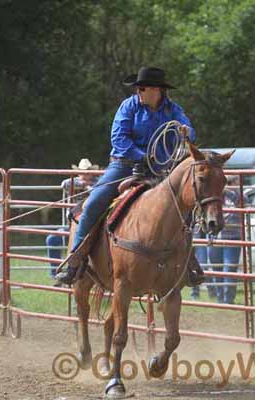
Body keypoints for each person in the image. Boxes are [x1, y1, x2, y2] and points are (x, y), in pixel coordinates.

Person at [55, 66, 204, 286]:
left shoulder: (172, 110)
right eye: (138, 88)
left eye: (142, 88)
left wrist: (186, 132)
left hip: (160, 168)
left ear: (157, 90)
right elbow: (120, 140)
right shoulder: (129, 107)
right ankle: (75, 259)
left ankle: (188, 260)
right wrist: (143, 157)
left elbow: (187, 128)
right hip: (124, 165)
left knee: (184, 206)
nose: (139, 92)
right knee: (94, 202)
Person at [191, 175, 245, 304]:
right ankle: (220, 299)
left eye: (232, 182)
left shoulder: (236, 195)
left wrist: (230, 191)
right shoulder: (213, 195)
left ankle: (228, 300)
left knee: (229, 269)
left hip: (232, 236)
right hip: (214, 236)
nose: (230, 185)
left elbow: (243, 203)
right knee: (216, 268)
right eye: (229, 182)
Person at [46, 159, 99, 280]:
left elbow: (99, 190)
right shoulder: (73, 182)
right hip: (72, 226)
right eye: (82, 172)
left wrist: (89, 187)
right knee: (52, 239)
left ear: (92, 173)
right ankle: (55, 274)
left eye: (87, 172)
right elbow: (64, 184)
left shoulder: (98, 183)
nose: (85, 174)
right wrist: (83, 184)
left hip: (92, 226)